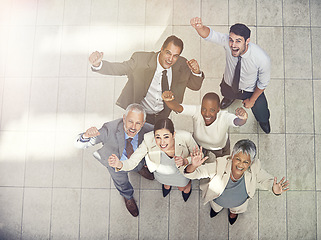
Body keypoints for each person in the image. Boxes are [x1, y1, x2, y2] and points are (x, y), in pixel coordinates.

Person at [89, 35, 205, 125]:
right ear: (161, 49)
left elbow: (195, 86)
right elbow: (120, 68)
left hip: (163, 115)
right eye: (168, 53)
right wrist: (99, 64)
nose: (170, 59)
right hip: (140, 114)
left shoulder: (181, 64)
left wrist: (196, 72)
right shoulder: (141, 60)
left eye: (175, 55)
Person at [190, 17, 271, 134]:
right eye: (231, 40)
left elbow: (263, 83)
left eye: (238, 41)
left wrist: (252, 100)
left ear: (247, 41)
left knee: (262, 111)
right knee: (226, 92)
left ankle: (263, 121)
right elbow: (209, 35)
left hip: (250, 89)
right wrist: (200, 27)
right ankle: (230, 98)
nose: (233, 45)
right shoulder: (228, 43)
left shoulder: (262, 59)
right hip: (229, 84)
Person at [184, 139, 289, 225]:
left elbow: (267, 180)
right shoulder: (220, 165)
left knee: (235, 210)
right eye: (238, 159)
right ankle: (216, 210)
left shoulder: (254, 169)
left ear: (250, 163)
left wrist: (274, 189)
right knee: (216, 208)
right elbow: (196, 173)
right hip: (217, 200)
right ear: (232, 156)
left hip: (239, 203)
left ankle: (233, 213)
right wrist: (193, 166)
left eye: (245, 162)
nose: (240, 164)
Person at [74, 104, 154, 217]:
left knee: (138, 164)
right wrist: (85, 136)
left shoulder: (148, 129)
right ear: (124, 118)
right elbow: (79, 144)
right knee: (122, 183)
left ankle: (138, 169)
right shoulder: (109, 130)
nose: (133, 127)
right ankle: (127, 197)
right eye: (130, 121)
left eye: (138, 123)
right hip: (115, 164)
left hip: (136, 160)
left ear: (143, 122)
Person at [108, 118, 206, 202]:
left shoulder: (185, 136)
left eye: (166, 137)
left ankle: (186, 187)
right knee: (165, 183)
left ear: (174, 134)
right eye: (158, 137)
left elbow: (198, 155)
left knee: (182, 187)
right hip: (161, 173)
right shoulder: (148, 139)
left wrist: (185, 161)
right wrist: (120, 164)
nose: (162, 142)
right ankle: (167, 185)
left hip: (180, 173)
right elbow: (133, 161)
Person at [162, 90, 248, 158]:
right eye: (204, 109)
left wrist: (243, 118)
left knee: (221, 163)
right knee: (199, 160)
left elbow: (237, 122)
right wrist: (168, 101)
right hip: (199, 146)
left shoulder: (224, 117)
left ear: (218, 109)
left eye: (212, 110)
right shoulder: (197, 111)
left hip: (219, 148)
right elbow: (179, 108)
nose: (207, 114)